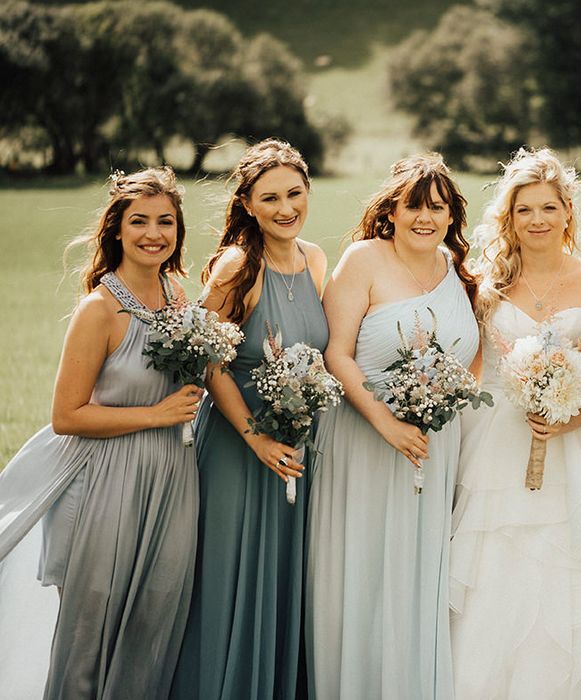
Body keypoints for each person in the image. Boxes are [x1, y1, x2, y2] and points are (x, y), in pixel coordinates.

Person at [0, 167, 201, 698]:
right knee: (90, 631)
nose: (153, 233)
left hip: (172, 479)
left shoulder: (179, 300)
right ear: (116, 229)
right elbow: (67, 415)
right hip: (104, 483)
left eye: (165, 222)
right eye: (139, 221)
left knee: (155, 622)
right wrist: (157, 415)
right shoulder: (98, 309)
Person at [449, 147, 581, 698]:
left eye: (548, 208)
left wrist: (570, 418)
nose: (538, 220)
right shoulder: (485, 285)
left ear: (567, 212)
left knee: (572, 571)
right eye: (525, 210)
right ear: (510, 217)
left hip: (577, 445)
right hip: (498, 440)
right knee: (498, 567)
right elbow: (472, 367)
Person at [305, 153, 479, 699]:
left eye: (438, 207)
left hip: (433, 445)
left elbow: (470, 357)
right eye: (414, 206)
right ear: (393, 210)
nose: (425, 217)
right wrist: (386, 422)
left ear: (452, 216)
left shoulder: (457, 269)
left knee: (416, 573)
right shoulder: (363, 260)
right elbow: (336, 354)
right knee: (363, 572)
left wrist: (444, 403)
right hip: (363, 437)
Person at [172, 139, 328, 699]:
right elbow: (209, 360)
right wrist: (255, 436)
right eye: (270, 198)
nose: (286, 208)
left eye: (294, 193)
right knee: (233, 579)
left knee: (284, 580)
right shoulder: (240, 265)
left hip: (296, 450)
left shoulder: (316, 259)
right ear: (248, 205)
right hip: (240, 448)